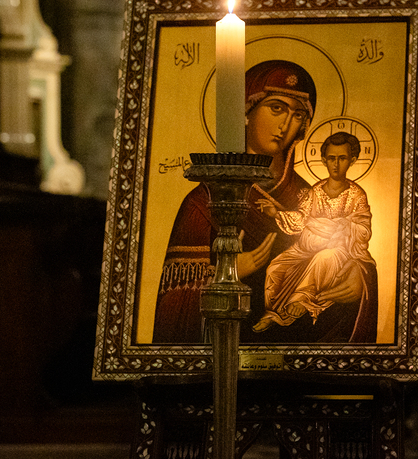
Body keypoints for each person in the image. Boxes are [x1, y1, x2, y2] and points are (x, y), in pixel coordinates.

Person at [152, 60, 374, 344]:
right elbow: (175, 305)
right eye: (276, 108)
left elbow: (344, 253)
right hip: (227, 349)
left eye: (297, 115)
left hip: (300, 353)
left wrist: (359, 279)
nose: (285, 125)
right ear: (247, 110)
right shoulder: (204, 200)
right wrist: (224, 274)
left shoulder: (311, 195)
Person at [252, 132, 377, 337]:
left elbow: (363, 228)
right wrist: (276, 213)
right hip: (304, 248)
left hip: (338, 252)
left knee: (323, 257)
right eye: (331, 158)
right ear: (324, 160)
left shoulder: (356, 195)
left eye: (342, 158)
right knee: (275, 267)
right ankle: (273, 313)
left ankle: (301, 300)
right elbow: (301, 218)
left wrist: (343, 226)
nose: (336, 164)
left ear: (352, 160)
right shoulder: (315, 191)